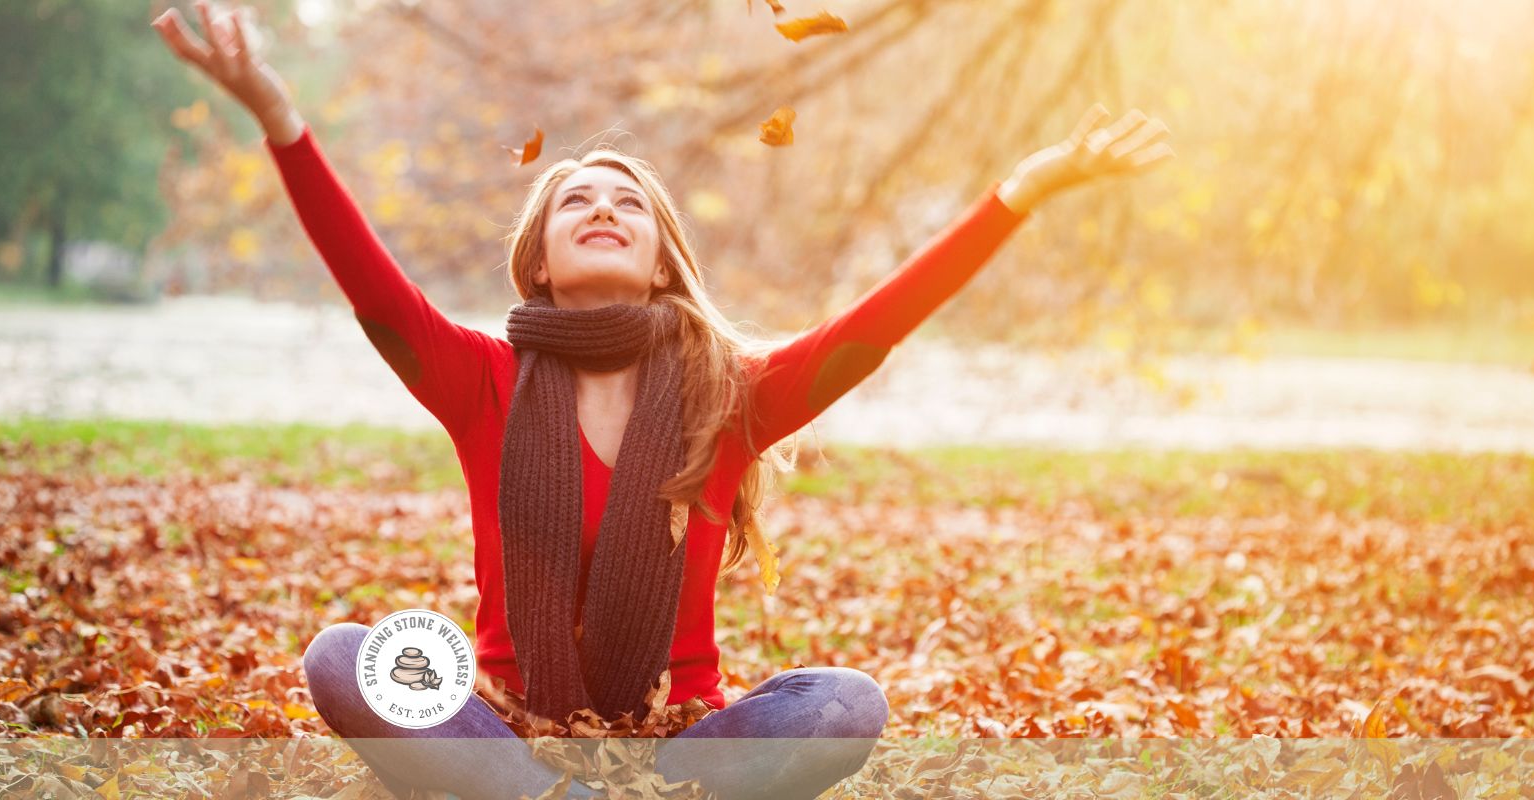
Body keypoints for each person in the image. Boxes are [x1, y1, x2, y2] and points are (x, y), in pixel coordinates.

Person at [152, 2, 1174, 798]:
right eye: (576, 201)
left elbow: (873, 328)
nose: (603, 205)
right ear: (541, 265)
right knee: (348, 658)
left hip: (683, 738)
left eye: (628, 200)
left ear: (657, 264)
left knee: (841, 704)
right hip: (513, 727)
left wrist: (1018, 196)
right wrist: (279, 116)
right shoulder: (481, 381)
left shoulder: (728, 394)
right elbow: (371, 286)